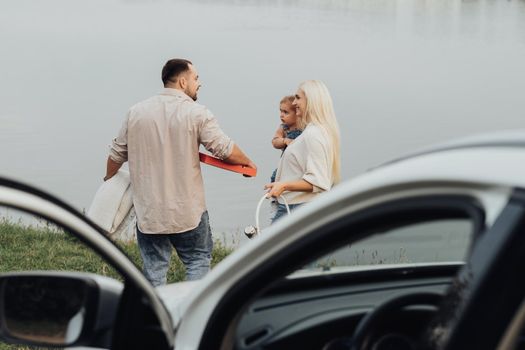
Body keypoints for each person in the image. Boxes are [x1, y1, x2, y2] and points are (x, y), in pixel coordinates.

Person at [104, 58, 256, 286]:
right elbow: (225, 149)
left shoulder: (136, 112)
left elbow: (116, 156)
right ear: (183, 82)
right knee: (198, 260)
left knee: (154, 270)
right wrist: (248, 164)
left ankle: (153, 316)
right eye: (196, 78)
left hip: (149, 212)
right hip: (188, 211)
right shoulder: (197, 113)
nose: (199, 83)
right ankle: (192, 311)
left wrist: (109, 181)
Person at [265, 80, 341, 223]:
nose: (294, 103)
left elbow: (318, 181)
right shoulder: (317, 130)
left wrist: (283, 185)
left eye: (298, 98)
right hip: (297, 206)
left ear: (311, 101)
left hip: (296, 208)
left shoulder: (313, 134)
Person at [270, 95, 305, 183]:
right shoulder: (284, 128)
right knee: (277, 177)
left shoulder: (305, 127)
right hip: (286, 164)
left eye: (286, 112)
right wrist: (284, 140)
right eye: (281, 111)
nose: (281, 115)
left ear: (297, 113)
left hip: (300, 164)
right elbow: (275, 141)